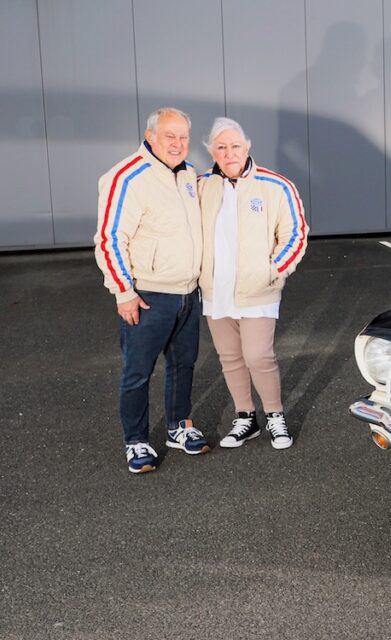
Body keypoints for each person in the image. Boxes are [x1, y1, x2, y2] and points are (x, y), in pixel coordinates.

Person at [94, 107, 210, 474]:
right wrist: (122, 292)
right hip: (148, 296)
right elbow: (110, 239)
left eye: (183, 137)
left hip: (187, 295)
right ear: (150, 137)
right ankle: (137, 441)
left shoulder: (190, 174)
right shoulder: (126, 177)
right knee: (137, 372)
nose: (177, 144)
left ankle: (178, 427)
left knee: (183, 365)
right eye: (169, 136)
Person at [197, 117, 308, 450]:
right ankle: (246, 417)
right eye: (221, 147)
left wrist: (274, 271)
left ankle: (274, 415)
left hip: (259, 288)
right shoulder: (201, 186)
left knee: (258, 355)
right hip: (216, 290)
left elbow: (295, 234)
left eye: (234, 146)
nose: (229, 153)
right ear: (212, 152)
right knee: (230, 356)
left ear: (247, 147)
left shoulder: (277, 186)